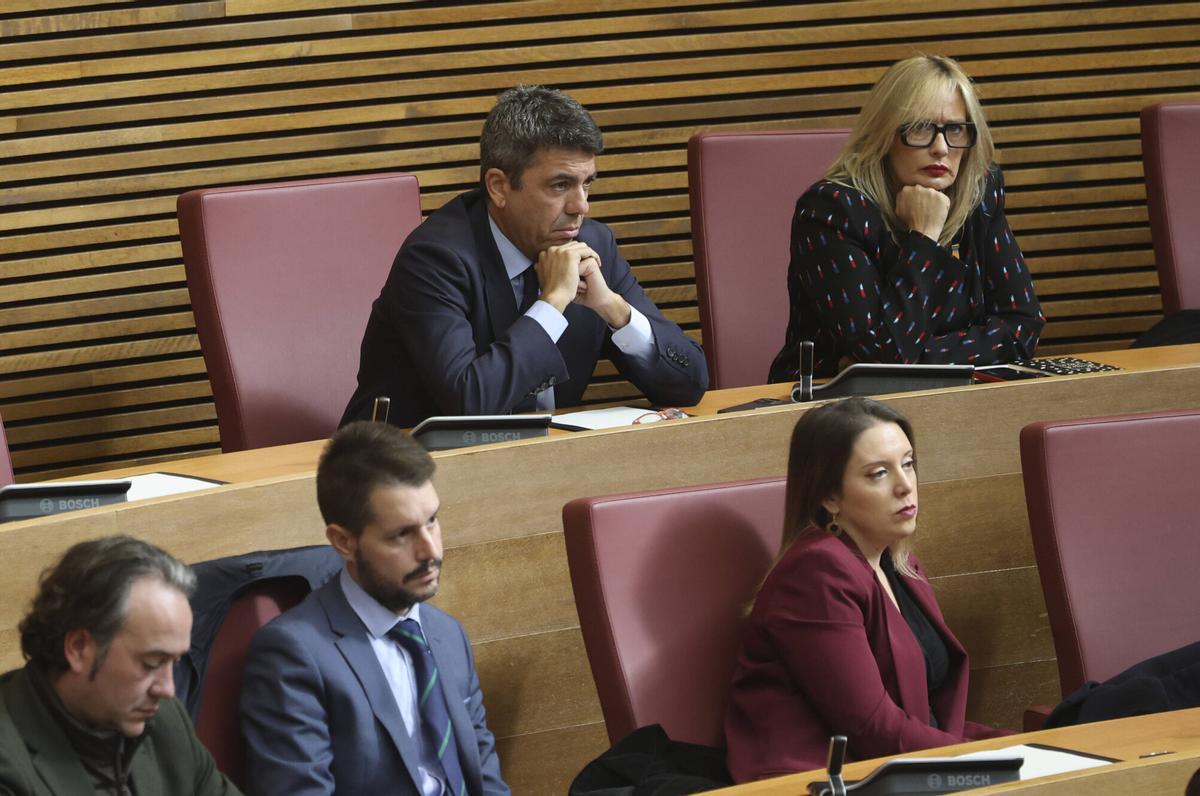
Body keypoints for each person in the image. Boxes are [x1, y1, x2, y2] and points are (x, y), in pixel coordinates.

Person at [341, 84, 707, 428]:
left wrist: (614, 310)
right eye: (560, 185)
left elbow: (689, 385)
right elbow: (470, 404)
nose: (582, 205)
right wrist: (552, 304)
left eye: (587, 183)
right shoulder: (436, 258)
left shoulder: (593, 245)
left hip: (538, 466)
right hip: (401, 475)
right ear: (499, 187)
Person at [724, 397, 1007, 781]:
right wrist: (976, 761)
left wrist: (1001, 750)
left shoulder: (897, 560)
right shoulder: (817, 572)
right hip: (822, 778)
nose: (905, 485)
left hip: (895, 767)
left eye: (908, 464)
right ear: (829, 497)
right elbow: (871, 726)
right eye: (878, 474)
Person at [240, 421, 509, 795]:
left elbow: (488, 783)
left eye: (432, 521)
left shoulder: (448, 635)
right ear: (344, 542)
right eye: (402, 534)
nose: (430, 550)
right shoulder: (294, 654)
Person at [769, 55, 1044, 381]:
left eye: (955, 129)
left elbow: (1023, 325)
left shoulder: (979, 193)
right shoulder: (831, 210)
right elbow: (885, 353)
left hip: (958, 399)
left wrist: (919, 359)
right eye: (920, 128)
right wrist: (924, 237)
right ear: (884, 135)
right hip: (836, 415)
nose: (941, 147)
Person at [0, 535, 239, 795]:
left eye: (175, 662)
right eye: (151, 663)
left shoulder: (166, 720)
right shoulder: (9, 763)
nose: (168, 689)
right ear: (79, 647)